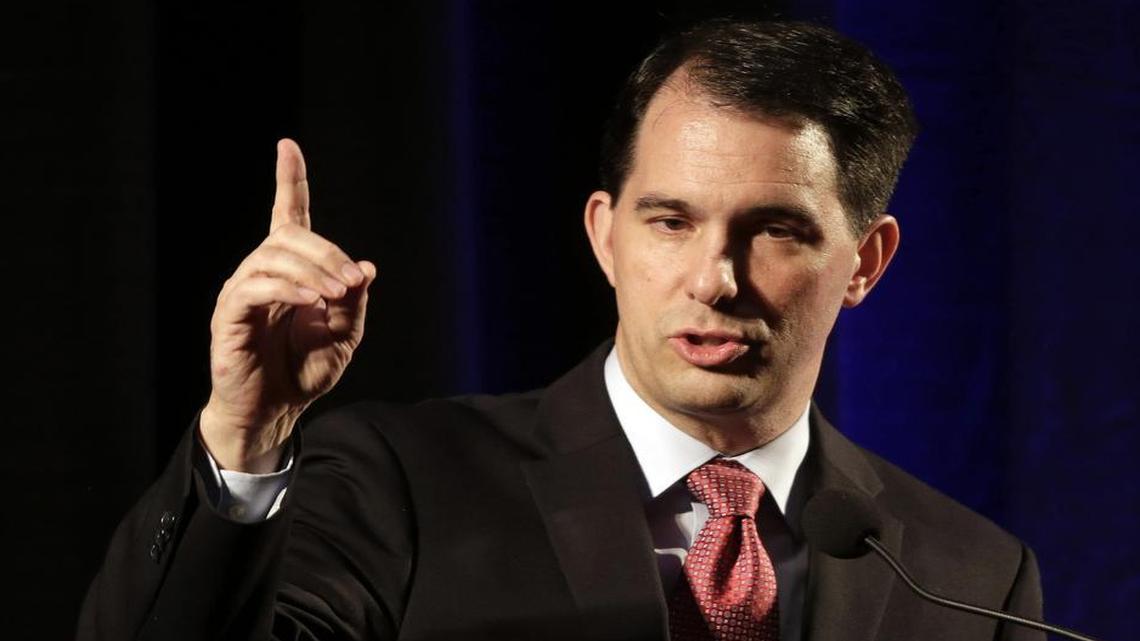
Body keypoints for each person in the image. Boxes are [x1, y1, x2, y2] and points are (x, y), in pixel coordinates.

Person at [78, 18, 1044, 641]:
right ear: (605, 236)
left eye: (777, 231)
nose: (714, 279)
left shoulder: (967, 576)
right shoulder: (399, 485)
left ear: (865, 263)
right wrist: (243, 436)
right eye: (671, 221)